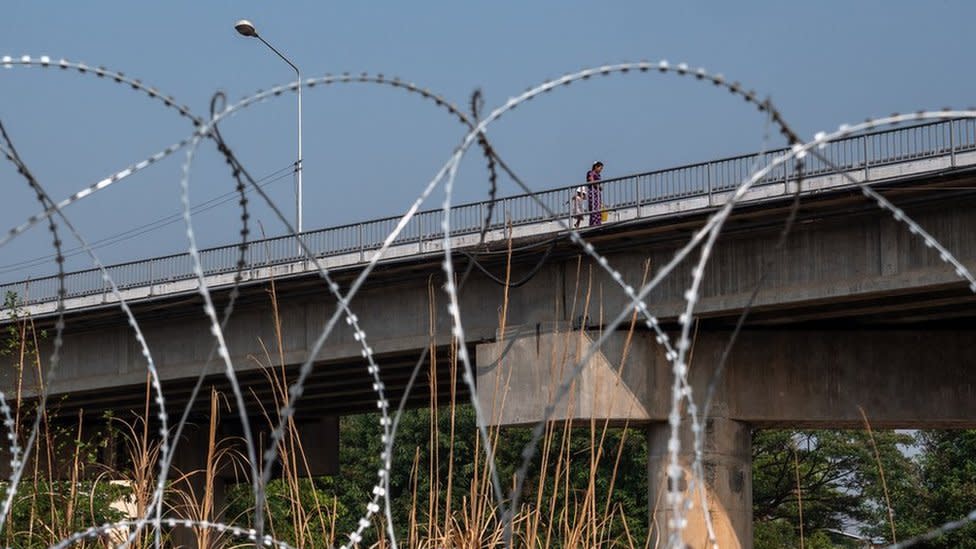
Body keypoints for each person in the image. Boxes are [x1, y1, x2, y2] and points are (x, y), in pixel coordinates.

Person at [586, 161, 604, 226]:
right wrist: (598, 186)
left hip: (597, 193)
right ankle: (593, 223)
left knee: (598, 208)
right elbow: (591, 181)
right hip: (592, 192)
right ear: (596, 167)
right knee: (593, 207)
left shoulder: (598, 175)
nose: (601, 170)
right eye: (600, 168)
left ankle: (598, 222)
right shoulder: (590, 173)